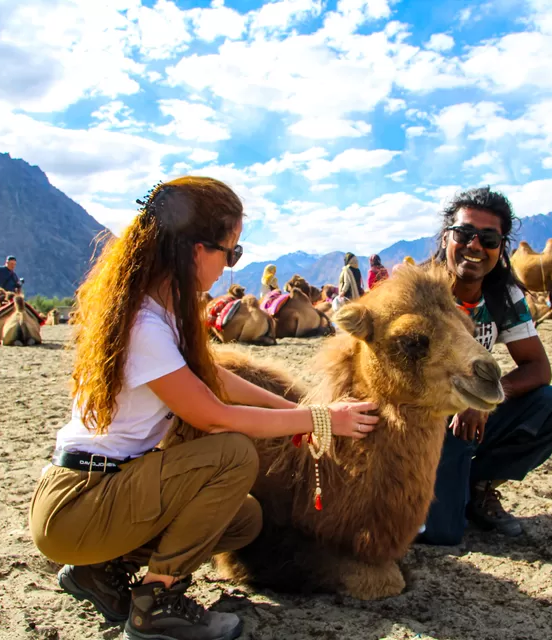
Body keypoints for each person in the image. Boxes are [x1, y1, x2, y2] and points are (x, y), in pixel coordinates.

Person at [28, 177, 378, 640]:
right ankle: (158, 603)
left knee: (244, 520)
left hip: (107, 489)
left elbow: (216, 377)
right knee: (231, 453)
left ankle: (98, 572)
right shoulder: (146, 327)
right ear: (195, 249)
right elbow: (214, 413)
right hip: (80, 503)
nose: (230, 266)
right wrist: (319, 419)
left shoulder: (164, 314)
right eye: (230, 253)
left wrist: (300, 407)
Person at [419, 187, 552, 544]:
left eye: (488, 238)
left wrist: (488, 399)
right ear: (447, 238)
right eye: (464, 234)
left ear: (500, 247)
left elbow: (537, 368)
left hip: (467, 418)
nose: (475, 245)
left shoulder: (503, 295)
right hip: (424, 420)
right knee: (442, 534)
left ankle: (479, 484)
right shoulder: (421, 292)